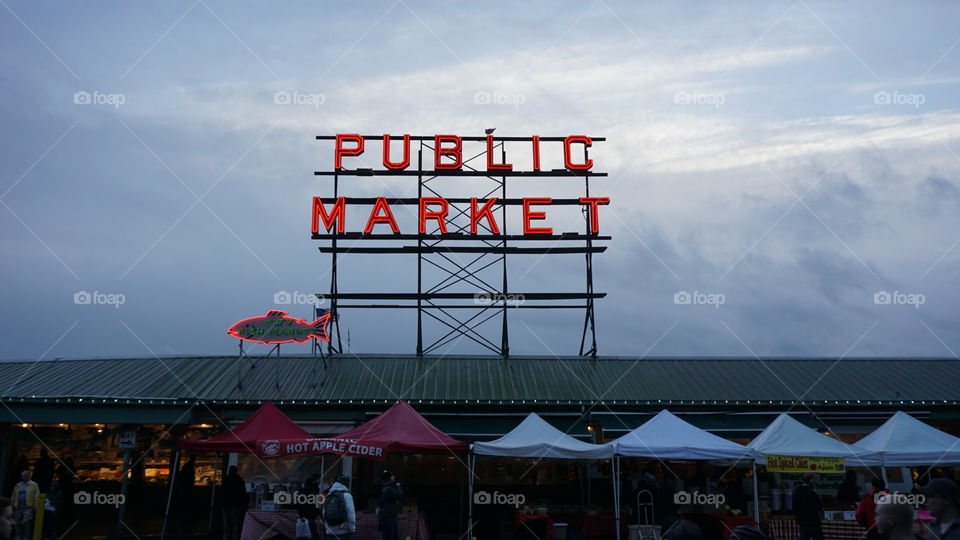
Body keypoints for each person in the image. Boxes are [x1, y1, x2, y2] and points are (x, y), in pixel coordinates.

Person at [324, 474, 356, 540]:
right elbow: (351, 513)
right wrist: (352, 528)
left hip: (330, 532)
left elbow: (324, 511)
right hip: (343, 532)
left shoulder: (329, 494)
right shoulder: (346, 495)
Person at [793, 473, 824, 540]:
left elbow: (794, 507)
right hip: (814, 523)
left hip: (802, 522)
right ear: (811, 481)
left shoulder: (797, 491)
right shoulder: (812, 493)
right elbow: (819, 506)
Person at [9, 471, 38, 540]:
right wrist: (11, 505)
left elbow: (37, 496)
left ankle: (26, 537)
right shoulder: (18, 485)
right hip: (18, 507)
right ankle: (18, 536)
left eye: (24, 476)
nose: (22, 477)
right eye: (22, 476)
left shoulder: (33, 485)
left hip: (28, 507)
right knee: (16, 522)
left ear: (29, 476)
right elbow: (13, 496)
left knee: (26, 523)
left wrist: (35, 507)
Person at [221, 466, 247, 540]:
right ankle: (235, 537)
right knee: (236, 522)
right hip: (236, 504)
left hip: (226, 503)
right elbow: (243, 493)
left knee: (226, 521)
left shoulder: (225, 479)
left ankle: (226, 536)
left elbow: (222, 491)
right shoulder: (239, 480)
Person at [379, 470, 404, 540]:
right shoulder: (389, 488)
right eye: (392, 476)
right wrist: (398, 487)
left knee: (392, 536)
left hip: (387, 516)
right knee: (390, 537)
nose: (394, 477)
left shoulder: (383, 487)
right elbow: (400, 496)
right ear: (389, 478)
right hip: (389, 516)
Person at [297, 472, 322, 540]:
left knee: (307, 535)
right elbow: (301, 503)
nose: (320, 481)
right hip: (308, 516)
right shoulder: (309, 489)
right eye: (318, 479)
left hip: (309, 516)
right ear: (314, 480)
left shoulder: (312, 488)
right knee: (312, 535)